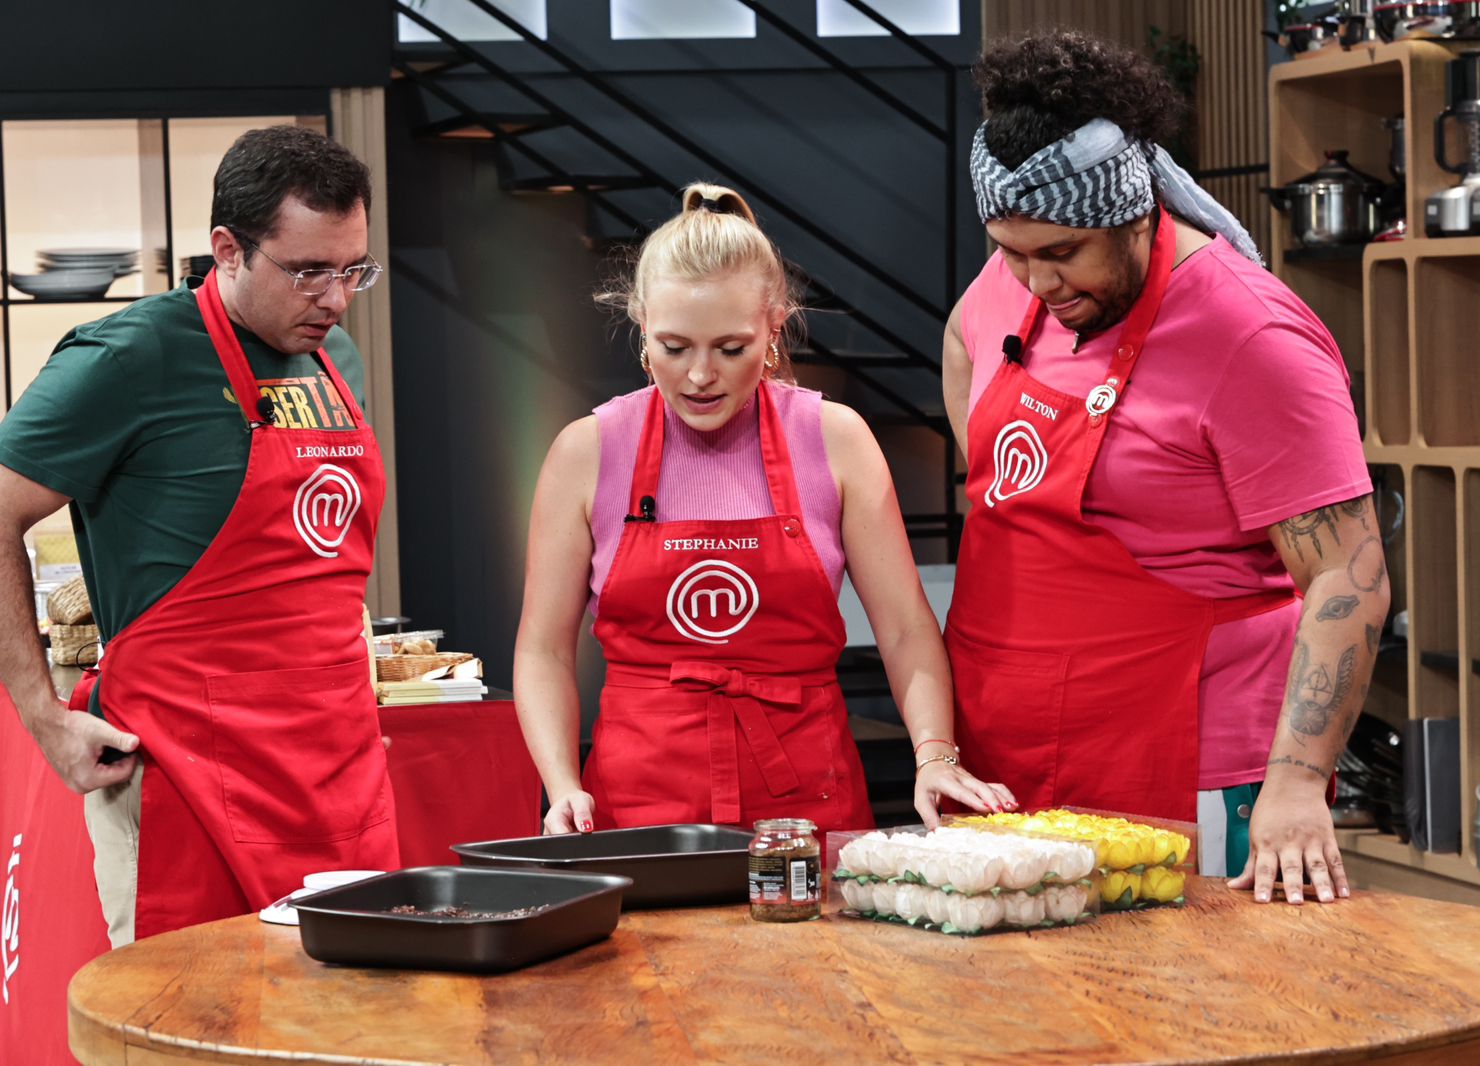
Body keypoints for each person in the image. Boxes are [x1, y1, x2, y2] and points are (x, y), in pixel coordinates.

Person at [942, 32, 1386, 905]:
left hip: (1187, 762)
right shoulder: (1014, 278)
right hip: (1006, 758)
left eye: (1062, 254)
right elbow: (963, 341)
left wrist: (1296, 784)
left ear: (1137, 213)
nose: (1033, 280)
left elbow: (1350, 575)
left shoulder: (1250, 337)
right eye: (1010, 249)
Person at [515, 183, 1014, 837]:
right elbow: (544, 651)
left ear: (774, 325)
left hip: (809, 796)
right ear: (640, 323)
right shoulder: (587, 452)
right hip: (638, 806)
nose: (700, 375)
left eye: (730, 348)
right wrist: (561, 787)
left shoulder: (835, 440)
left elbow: (903, 632)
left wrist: (935, 754)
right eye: (674, 348)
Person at [0, 125, 394, 943]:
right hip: (184, 769)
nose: (336, 298)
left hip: (336, 766)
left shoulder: (336, 359)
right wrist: (42, 718)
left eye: (352, 269)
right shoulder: (130, 356)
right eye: (308, 271)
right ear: (228, 249)